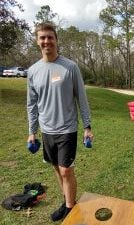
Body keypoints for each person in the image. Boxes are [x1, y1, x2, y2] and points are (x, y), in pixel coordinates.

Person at [27, 22, 93, 222]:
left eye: (50, 37)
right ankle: (66, 199)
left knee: (66, 170)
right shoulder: (33, 71)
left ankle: (70, 208)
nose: (46, 41)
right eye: (42, 38)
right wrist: (32, 131)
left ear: (56, 40)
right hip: (47, 130)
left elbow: (81, 98)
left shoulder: (70, 67)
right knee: (56, 168)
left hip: (67, 128)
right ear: (38, 41)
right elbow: (31, 104)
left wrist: (87, 126)